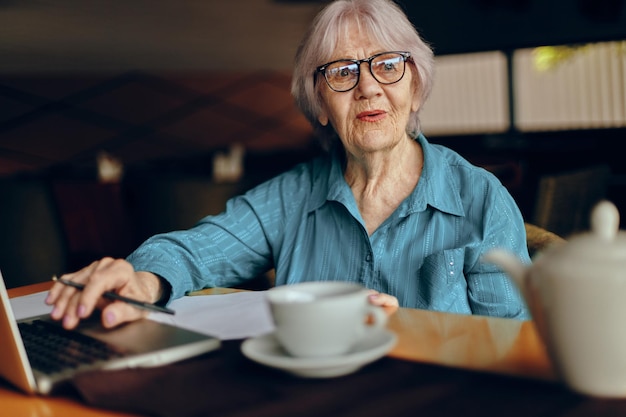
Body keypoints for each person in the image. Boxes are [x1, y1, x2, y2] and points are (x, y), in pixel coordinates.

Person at [47, 0, 530, 330]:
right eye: (342, 72)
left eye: (387, 64)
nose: (367, 87)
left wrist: (414, 332)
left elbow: (516, 347)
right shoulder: (291, 197)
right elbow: (194, 251)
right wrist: (142, 280)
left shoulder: (481, 200)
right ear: (320, 105)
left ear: (415, 85)